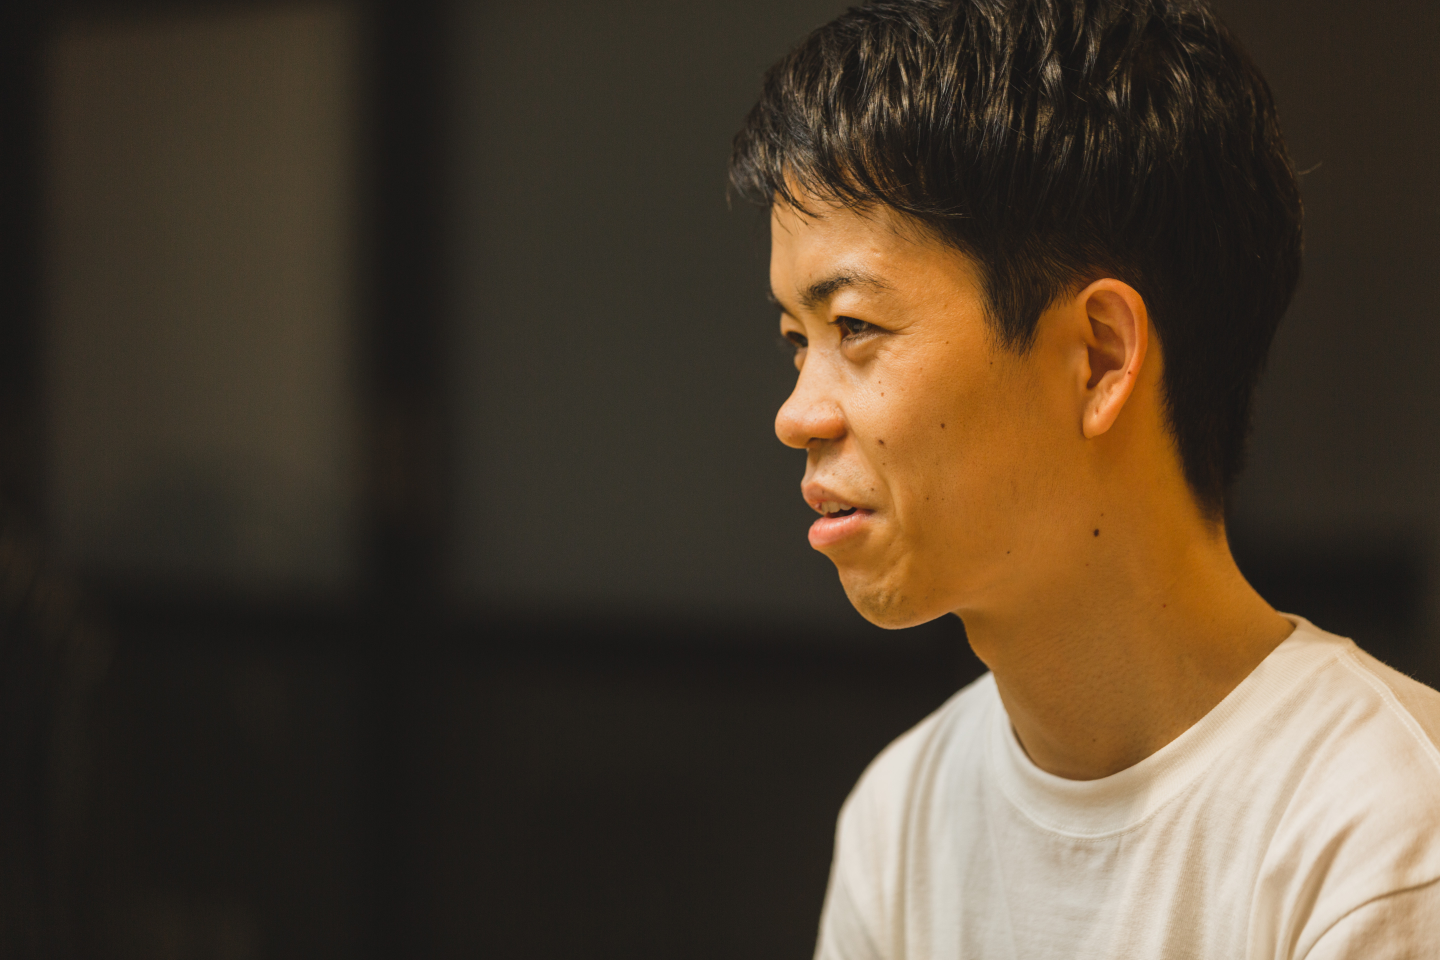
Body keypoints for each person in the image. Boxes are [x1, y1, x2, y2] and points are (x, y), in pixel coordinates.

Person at [728, 1, 1440, 957]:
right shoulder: (899, 823)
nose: (796, 414)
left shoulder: (1383, 839)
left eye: (854, 327)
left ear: (1099, 357)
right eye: (796, 340)